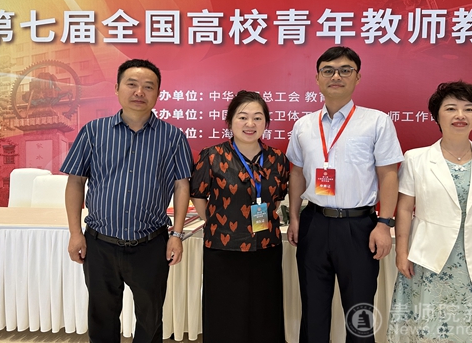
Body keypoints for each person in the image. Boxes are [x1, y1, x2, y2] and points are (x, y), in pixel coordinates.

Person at [61, 59, 193, 343]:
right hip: (100, 243)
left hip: (151, 244)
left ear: (158, 93)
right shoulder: (93, 131)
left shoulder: (173, 137)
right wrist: (75, 233)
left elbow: (182, 185)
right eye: (131, 84)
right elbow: (75, 182)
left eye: (148, 86)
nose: (139, 92)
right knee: (102, 315)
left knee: (150, 318)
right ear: (117, 88)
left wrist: (177, 234)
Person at [286, 46, 404, 343]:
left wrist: (384, 223)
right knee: (313, 308)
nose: (336, 76)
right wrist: (295, 217)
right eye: (328, 70)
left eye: (345, 70)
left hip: (359, 227)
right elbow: (297, 173)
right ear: (317, 78)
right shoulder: (303, 125)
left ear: (357, 77)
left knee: (359, 311)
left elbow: (388, 175)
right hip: (314, 223)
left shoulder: (376, 122)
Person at [387, 81, 472, 342]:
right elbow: (404, 209)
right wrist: (401, 253)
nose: (460, 115)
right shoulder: (416, 158)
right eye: (451, 108)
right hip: (428, 261)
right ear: (437, 116)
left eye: (468, 109)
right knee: (428, 328)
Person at [189, 90, 290, 343]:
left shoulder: (277, 159)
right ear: (230, 121)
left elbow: (277, 197)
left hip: (266, 247)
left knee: (264, 313)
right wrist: (215, 221)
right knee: (225, 314)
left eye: (257, 118)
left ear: (266, 122)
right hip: (223, 248)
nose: (250, 124)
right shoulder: (212, 155)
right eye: (242, 117)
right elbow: (198, 195)